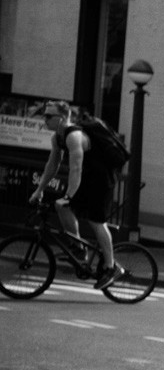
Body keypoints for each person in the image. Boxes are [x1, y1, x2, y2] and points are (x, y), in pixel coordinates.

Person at [31, 102, 121, 288]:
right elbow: (52, 165)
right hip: (85, 179)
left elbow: (76, 168)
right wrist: (39, 189)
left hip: (101, 180)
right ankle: (79, 249)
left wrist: (69, 196)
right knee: (61, 206)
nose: (45, 120)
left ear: (63, 118)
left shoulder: (74, 136)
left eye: (49, 116)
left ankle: (111, 267)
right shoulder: (57, 138)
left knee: (97, 222)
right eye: (44, 115)